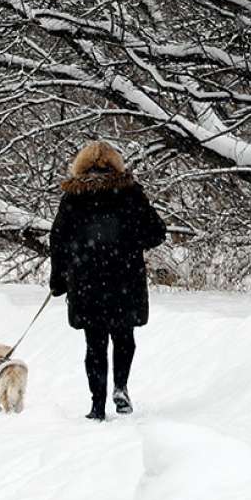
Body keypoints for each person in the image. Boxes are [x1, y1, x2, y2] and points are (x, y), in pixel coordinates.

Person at [49, 141, 168, 421]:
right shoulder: (129, 193)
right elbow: (156, 233)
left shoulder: (73, 197)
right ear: (116, 164)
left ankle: (97, 404)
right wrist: (129, 240)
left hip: (86, 280)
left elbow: (58, 240)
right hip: (124, 277)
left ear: (81, 165)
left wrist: (58, 279)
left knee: (95, 344)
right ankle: (121, 387)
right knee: (124, 337)